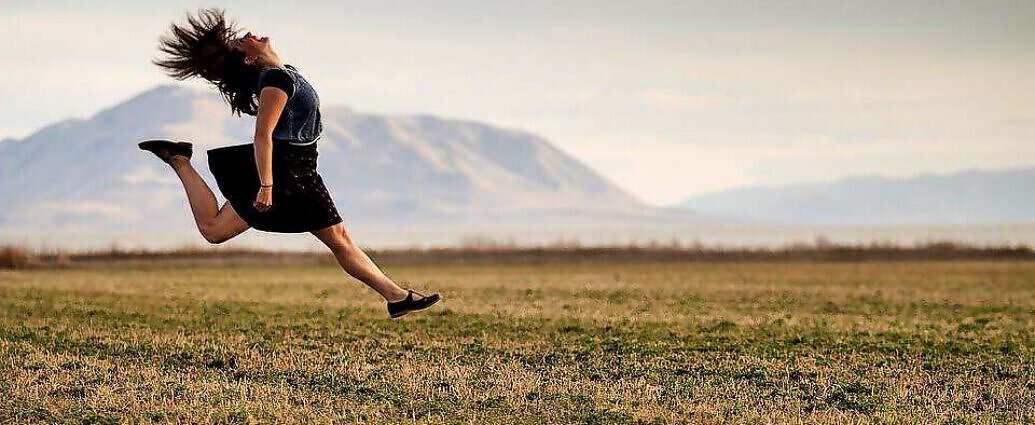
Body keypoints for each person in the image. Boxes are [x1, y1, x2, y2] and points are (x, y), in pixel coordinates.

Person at [139, 8, 439, 319]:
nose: (251, 36)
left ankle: (178, 159)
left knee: (215, 230)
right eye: (244, 41)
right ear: (249, 59)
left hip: (296, 168)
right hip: (288, 171)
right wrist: (267, 185)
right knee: (339, 239)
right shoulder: (276, 81)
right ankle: (397, 297)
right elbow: (262, 136)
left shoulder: (283, 74)